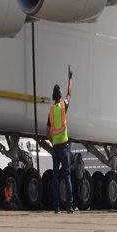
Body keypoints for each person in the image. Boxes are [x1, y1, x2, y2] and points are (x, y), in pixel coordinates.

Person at [47, 65, 73, 213]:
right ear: (60, 94)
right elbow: (70, 94)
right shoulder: (64, 106)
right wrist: (70, 79)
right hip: (63, 146)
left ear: (52, 96)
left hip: (55, 147)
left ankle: (56, 208)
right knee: (67, 175)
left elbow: (47, 133)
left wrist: (52, 141)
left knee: (56, 178)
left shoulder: (50, 111)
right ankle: (69, 207)